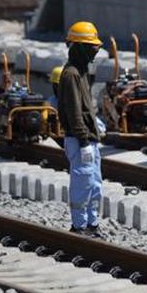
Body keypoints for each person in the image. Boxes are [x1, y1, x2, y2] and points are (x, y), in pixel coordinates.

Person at [58, 21, 105, 236]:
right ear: (78, 48)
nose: (95, 53)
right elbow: (74, 112)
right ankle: (78, 226)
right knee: (82, 184)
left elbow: (86, 110)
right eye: (92, 48)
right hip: (80, 141)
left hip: (88, 140)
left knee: (94, 184)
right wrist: (84, 140)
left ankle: (91, 225)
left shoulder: (81, 72)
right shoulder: (71, 75)